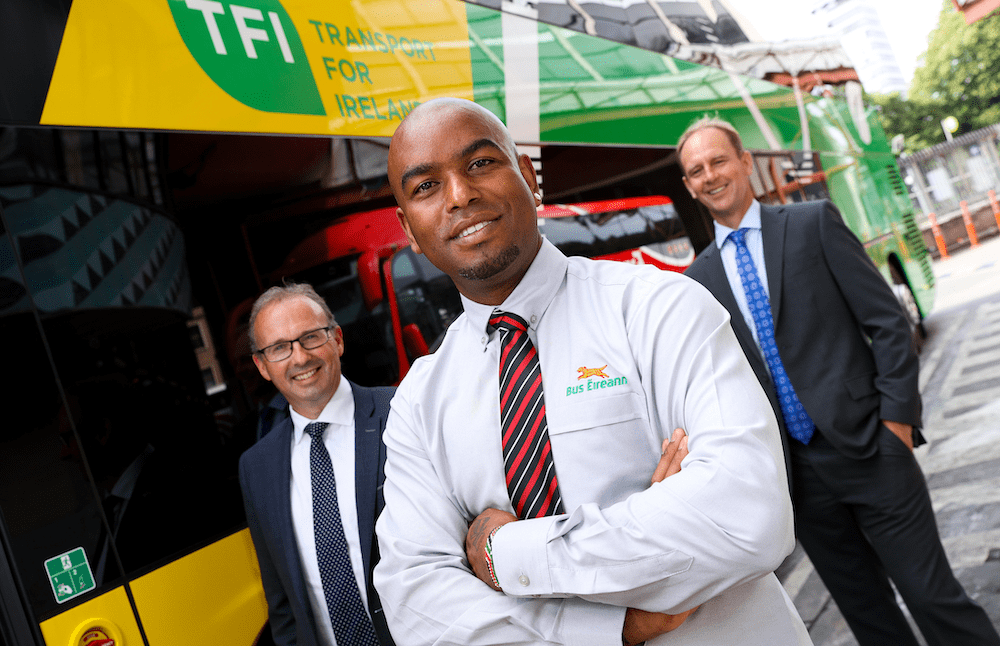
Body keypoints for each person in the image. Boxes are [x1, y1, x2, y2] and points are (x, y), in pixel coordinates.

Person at [373, 97, 812, 646]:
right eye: (425, 187)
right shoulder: (418, 404)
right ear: (409, 228)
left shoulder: (659, 307)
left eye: (480, 163)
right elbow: (418, 608)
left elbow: (750, 517)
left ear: (529, 177)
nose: (460, 195)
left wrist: (505, 555)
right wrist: (615, 622)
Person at [680, 117, 1000, 646]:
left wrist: (897, 422)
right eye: (697, 171)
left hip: (873, 447)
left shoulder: (812, 224)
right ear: (689, 186)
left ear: (745, 162)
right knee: (871, 623)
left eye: (718, 161)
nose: (710, 175)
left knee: (932, 598)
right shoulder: (697, 281)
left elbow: (888, 323)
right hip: (799, 483)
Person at [239, 283, 396, 646]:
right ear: (262, 366)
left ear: (337, 340)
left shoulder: (400, 411)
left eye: (310, 337)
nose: (299, 358)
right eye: (279, 348)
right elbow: (282, 604)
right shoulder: (256, 468)